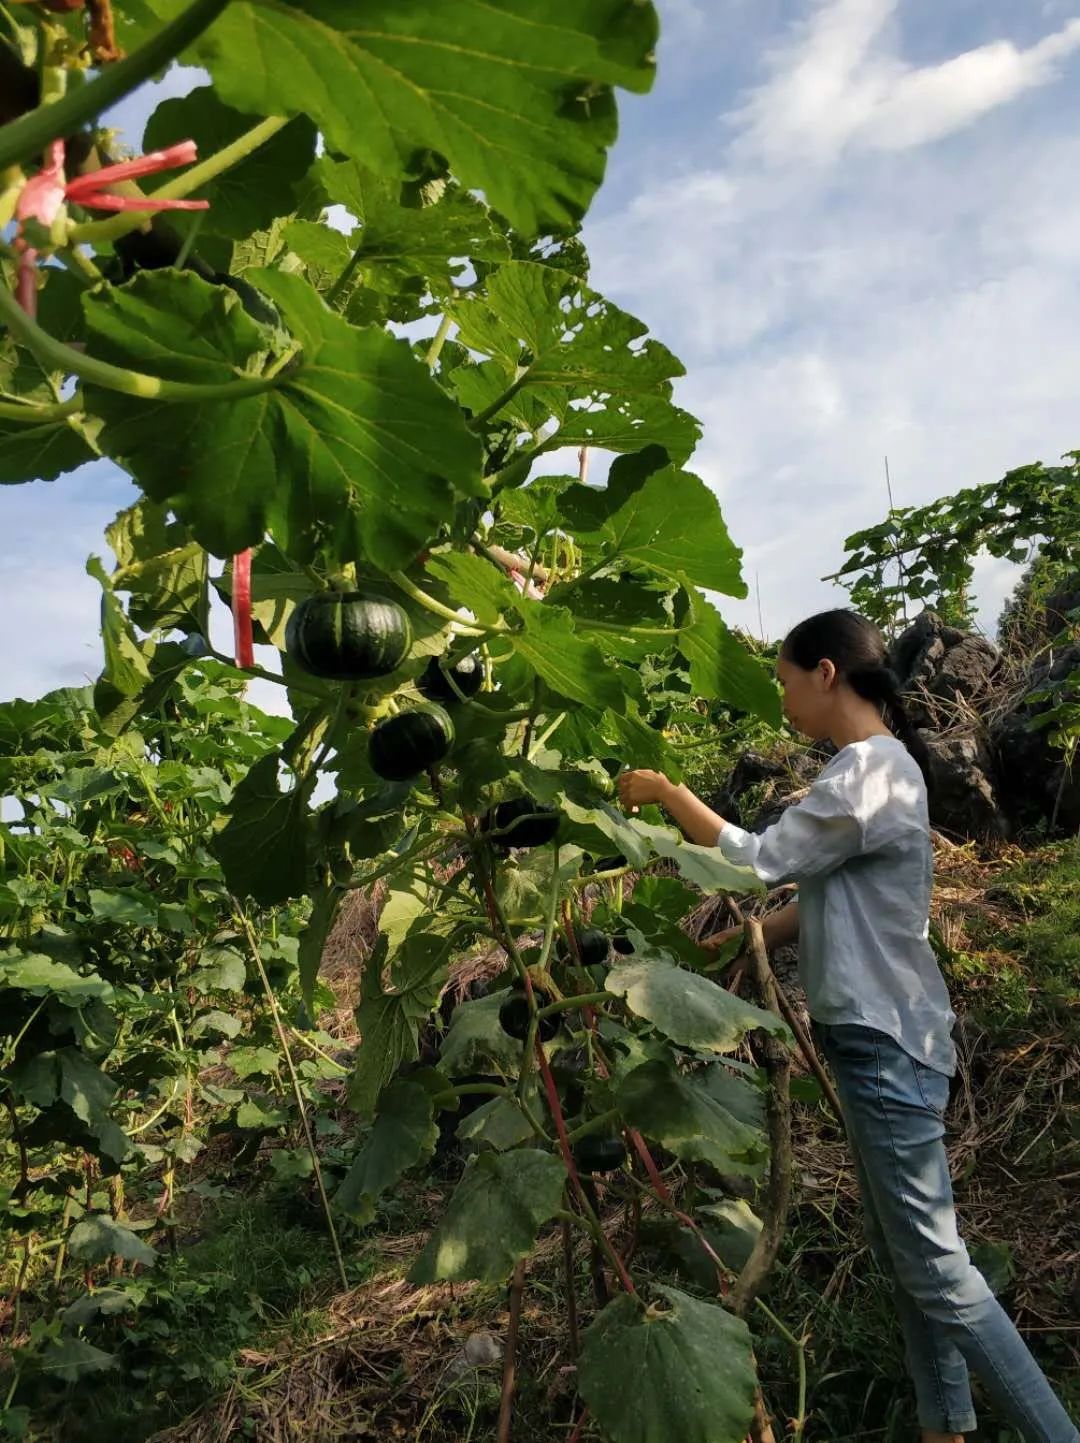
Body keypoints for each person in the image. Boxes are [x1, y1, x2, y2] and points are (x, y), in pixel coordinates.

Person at [618, 609, 1079, 1443]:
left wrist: (667, 794)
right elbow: (827, 895)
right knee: (914, 1269)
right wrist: (744, 935)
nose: (786, 702)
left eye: (790, 683)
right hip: (887, 1038)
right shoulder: (879, 772)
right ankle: (949, 1429)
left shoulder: (867, 770)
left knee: (939, 1273)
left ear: (827, 673)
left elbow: (756, 857)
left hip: (883, 1043)